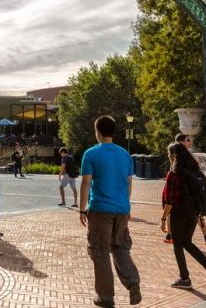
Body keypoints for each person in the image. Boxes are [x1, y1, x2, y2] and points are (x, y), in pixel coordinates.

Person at [79, 115, 141, 308]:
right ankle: (132, 282)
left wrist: (82, 210)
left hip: (100, 209)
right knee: (120, 247)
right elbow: (128, 183)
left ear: (97, 131)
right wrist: (126, 205)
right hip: (122, 208)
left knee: (100, 251)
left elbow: (86, 183)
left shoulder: (91, 154)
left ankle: (106, 297)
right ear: (113, 131)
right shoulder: (125, 154)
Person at [161, 143, 206, 289]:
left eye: (169, 154)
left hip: (178, 213)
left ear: (173, 156)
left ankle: (184, 278)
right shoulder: (194, 172)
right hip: (193, 213)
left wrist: (163, 218)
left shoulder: (174, 174)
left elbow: (170, 200)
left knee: (177, 245)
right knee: (187, 242)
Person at [163, 134, 206, 246]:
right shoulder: (180, 155)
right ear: (181, 142)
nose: (190, 142)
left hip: (186, 196)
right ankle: (172, 236)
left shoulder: (184, 155)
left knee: (183, 210)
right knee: (181, 209)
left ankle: (171, 236)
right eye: (188, 140)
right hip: (184, 196)